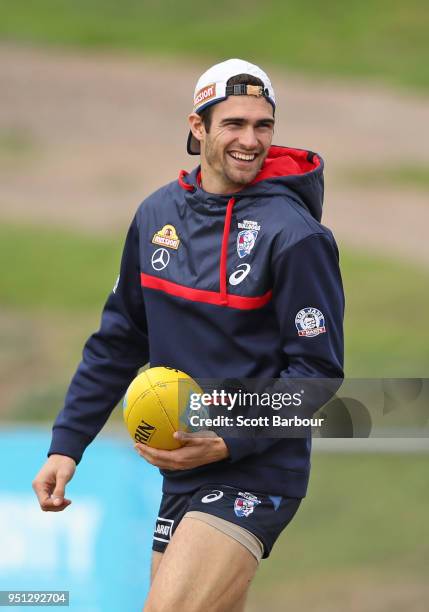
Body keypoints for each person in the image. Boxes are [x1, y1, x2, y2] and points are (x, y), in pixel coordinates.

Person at [32, 58, 344, 611]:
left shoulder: (295, 237)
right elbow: (120, 338)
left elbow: (317, 377)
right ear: (197, 127)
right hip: (181, 469)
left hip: (257, 470)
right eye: (234, 124)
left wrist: (230, 439)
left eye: (263, 126)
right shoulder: (157, 214)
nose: (250, 140)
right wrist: (67, 444)